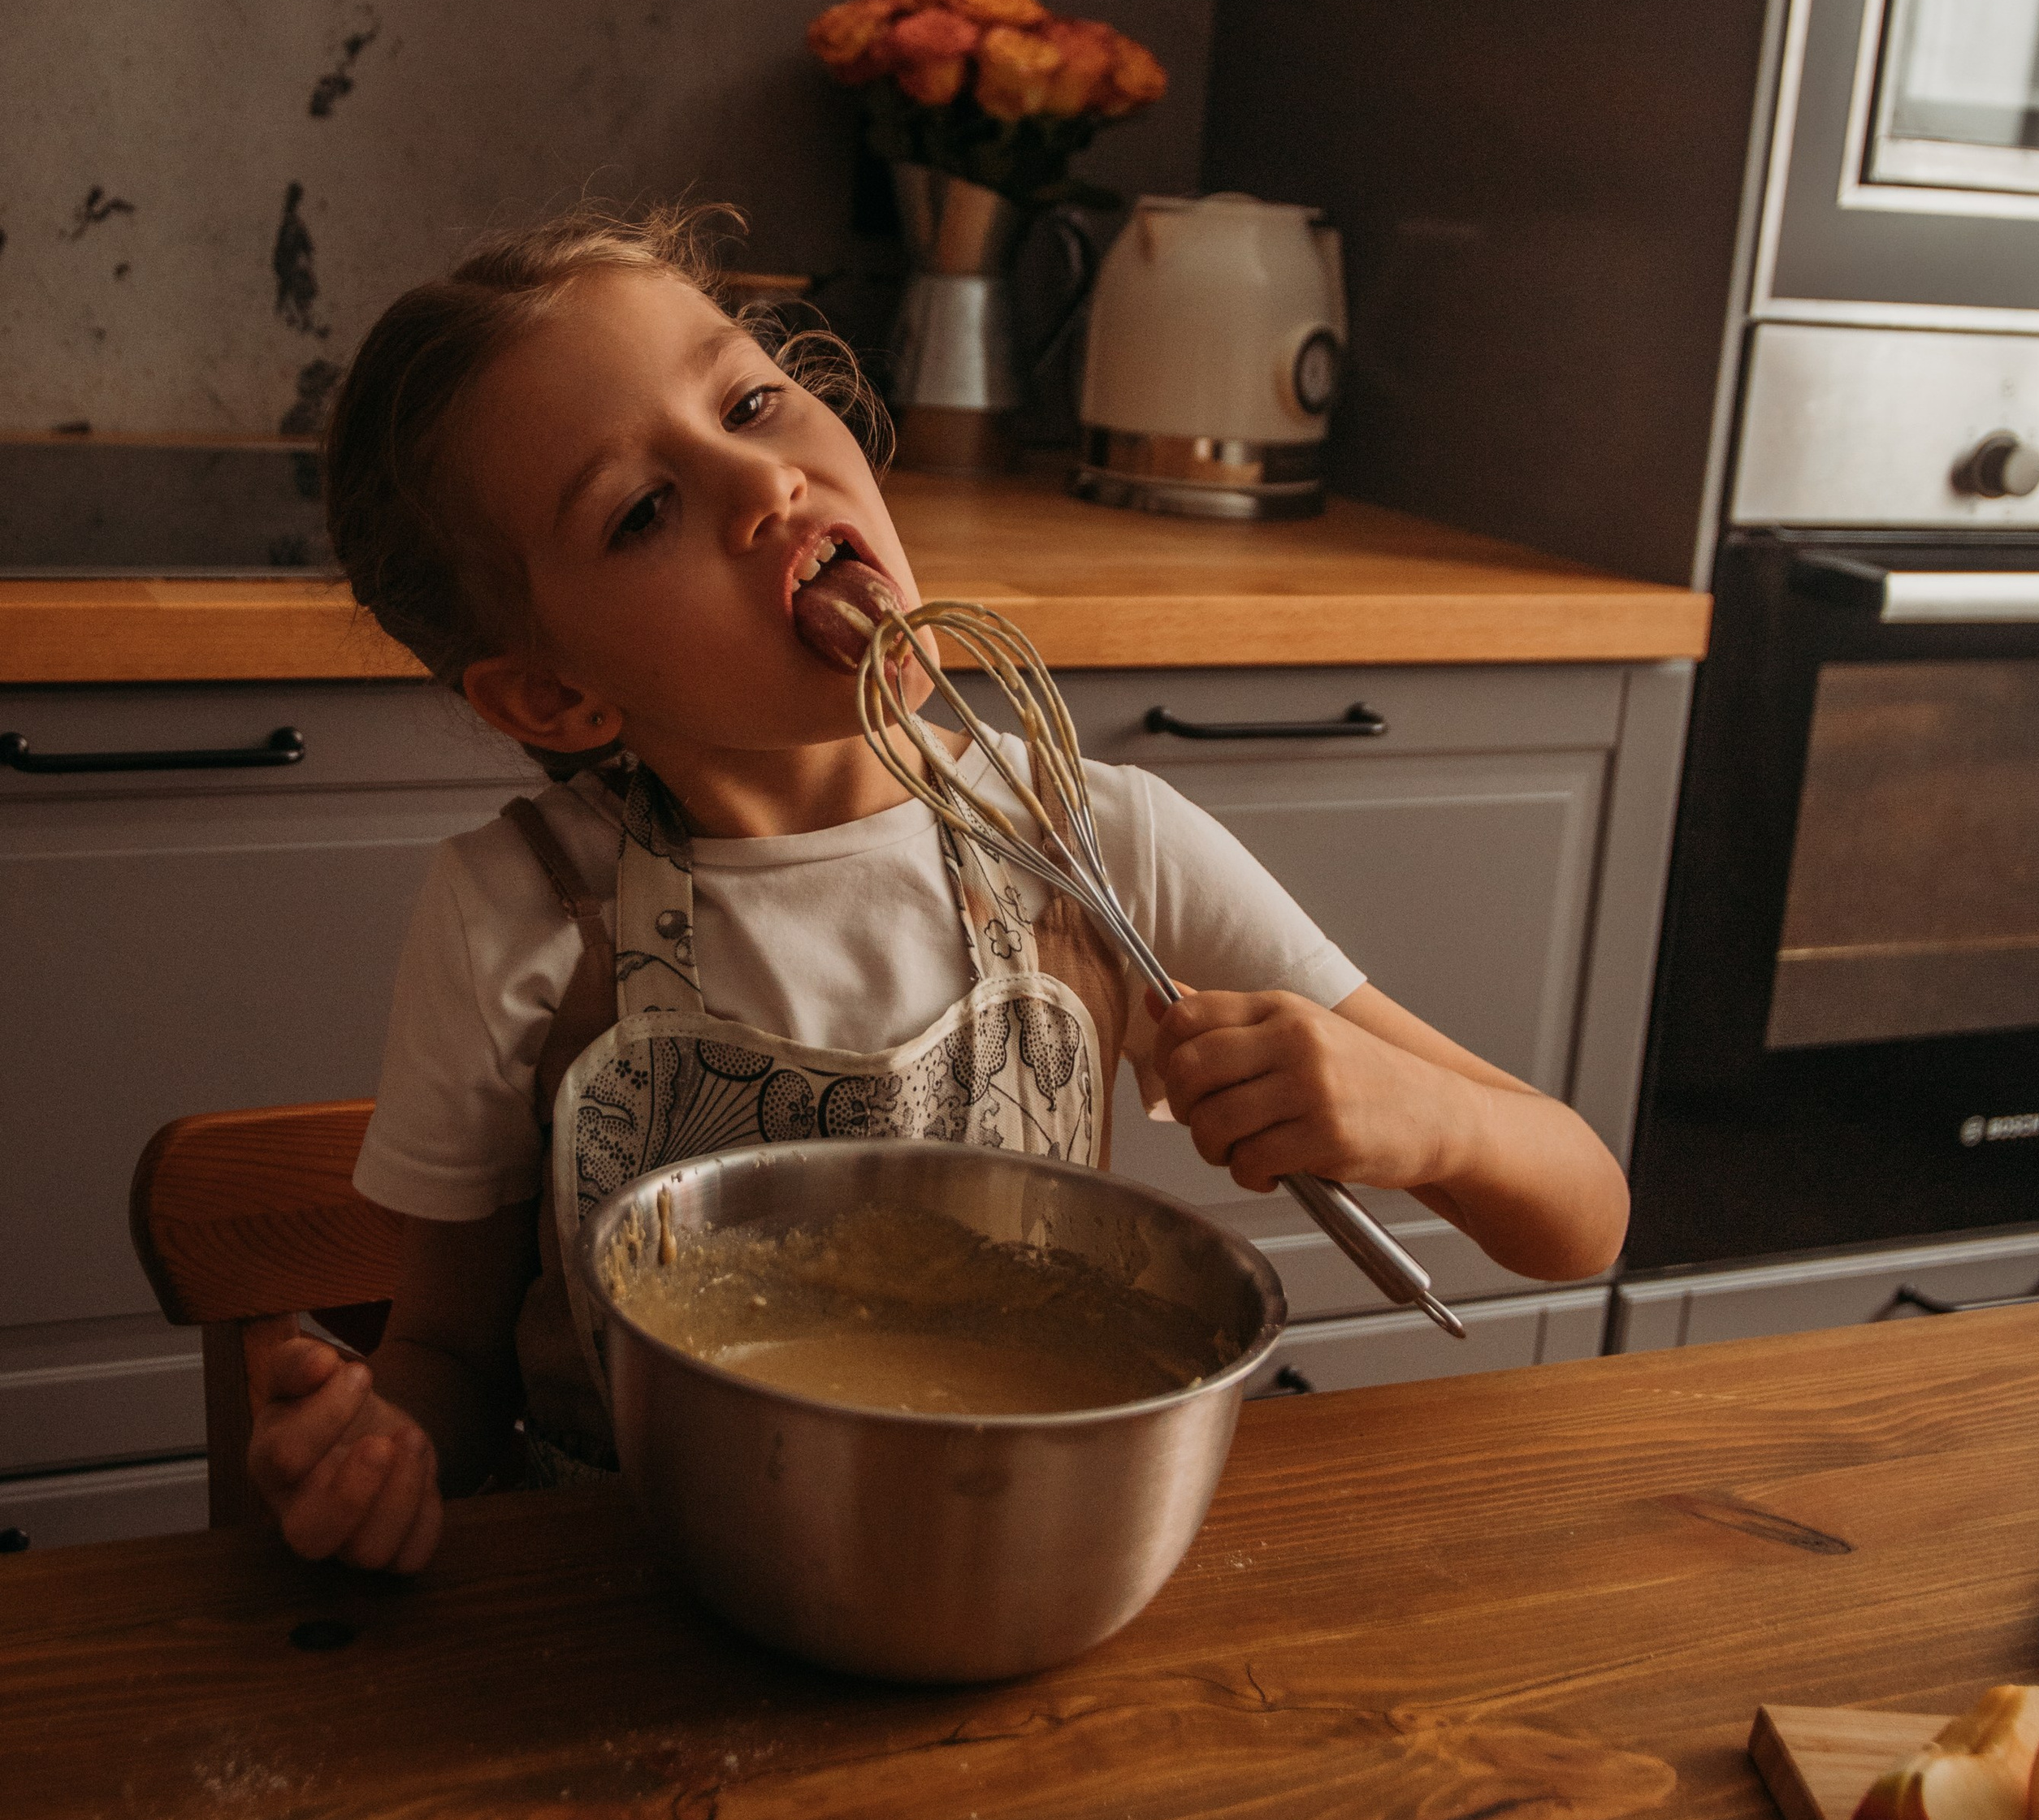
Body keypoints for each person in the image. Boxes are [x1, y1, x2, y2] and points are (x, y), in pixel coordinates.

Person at [248, 205, 1629, 1571]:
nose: (764, 485)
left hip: (1004, 1566)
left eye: (750, 398)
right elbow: (444, 1351)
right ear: (553, 692)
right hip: (641, 1605)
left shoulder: (1091, 845)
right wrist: (385, 1452)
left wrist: (1423, 1119)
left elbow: (1583, 1215)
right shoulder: (522, 914)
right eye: (644, 511)